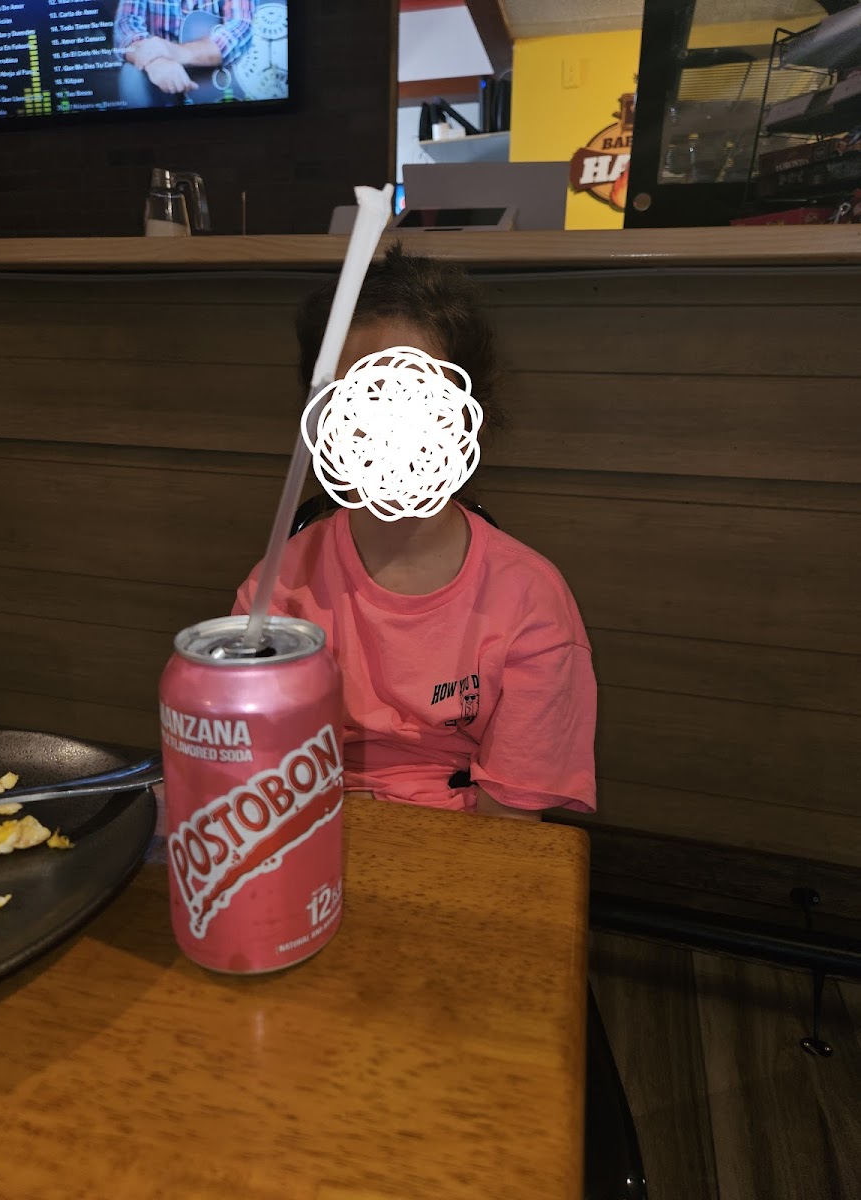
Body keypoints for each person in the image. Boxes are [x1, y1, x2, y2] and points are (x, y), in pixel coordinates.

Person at [233, 245, 596, 821]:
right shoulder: (276, 591)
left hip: (461, 835)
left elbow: (510, 825)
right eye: (362, 401)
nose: (390, 432)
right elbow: (255, 776)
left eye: (416, 400)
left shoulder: (531, 602)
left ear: (466, 414)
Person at [114, 0, 254, 105]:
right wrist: (155, 61)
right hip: (158, 77)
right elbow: (125, 26)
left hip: (216, 79)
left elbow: (241, 27)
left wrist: (174, 51)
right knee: (131, 75)